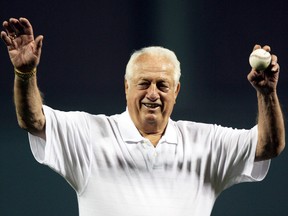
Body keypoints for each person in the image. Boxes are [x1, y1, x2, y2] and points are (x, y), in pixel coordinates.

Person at [1, 17, 285, 216]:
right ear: (126, 88)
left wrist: (267, 93)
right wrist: (25, 74)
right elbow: (33, 120)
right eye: (143, 83)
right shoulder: (90, 135)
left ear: (176, 91)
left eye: (162, 85)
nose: (152, 93)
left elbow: (269, 146)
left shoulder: (206, 142)